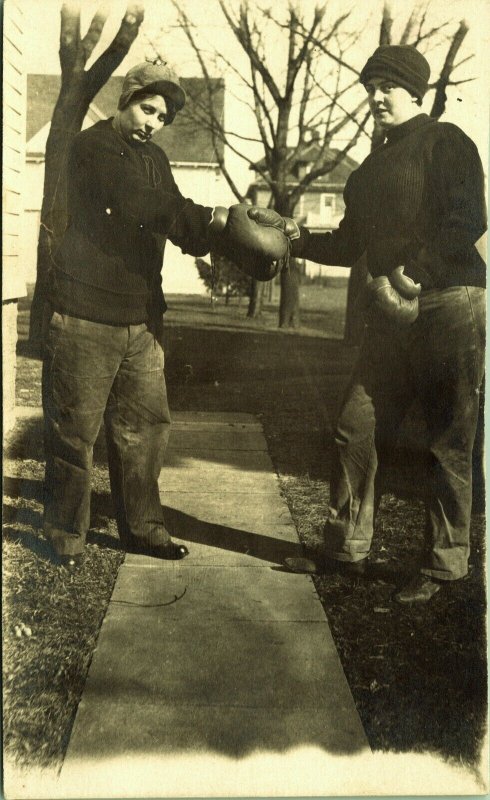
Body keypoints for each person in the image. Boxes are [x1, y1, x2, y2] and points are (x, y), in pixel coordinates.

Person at [249, 45, 486, 604]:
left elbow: (467, 218)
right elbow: (350, 244)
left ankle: (445, 565)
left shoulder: (447, 142)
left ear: (415, 92)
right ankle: (343, 550)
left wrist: (414, 275)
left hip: (450, 301)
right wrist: (295, 237)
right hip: (390, 310)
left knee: (447, 439)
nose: (376, 97)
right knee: (356, 426)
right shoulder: (368, 170)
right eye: (370, 87)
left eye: (387, 87)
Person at [42, 60, 288, 571]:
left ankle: (145, 529)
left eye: (161, 116)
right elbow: (141, 203)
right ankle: (65, 536)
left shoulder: (154, 158)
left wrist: (231, 241)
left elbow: (175, 213)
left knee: (146, 430)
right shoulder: (94, 149)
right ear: (125, 100)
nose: (152, 122)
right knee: (74, 431)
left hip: (142, 319)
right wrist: (217, 220)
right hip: (86, 312)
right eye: (146, 108)